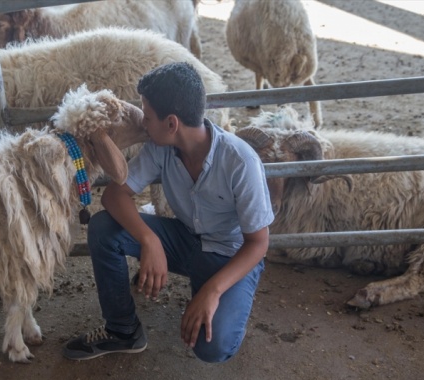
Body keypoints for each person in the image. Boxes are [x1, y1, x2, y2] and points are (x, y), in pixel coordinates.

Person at [63, 62, 274, 363]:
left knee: (212, 348)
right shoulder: (161, 148)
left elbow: (258, 243)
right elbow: (113, 195)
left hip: (230, 255)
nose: (143, 124)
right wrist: (150, 241)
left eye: (147, 117)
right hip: (185, 239)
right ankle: (123, 330)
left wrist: (212, 291)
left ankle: (223, 294)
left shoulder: (241, 162)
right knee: (103, 227)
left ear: (171, 123)